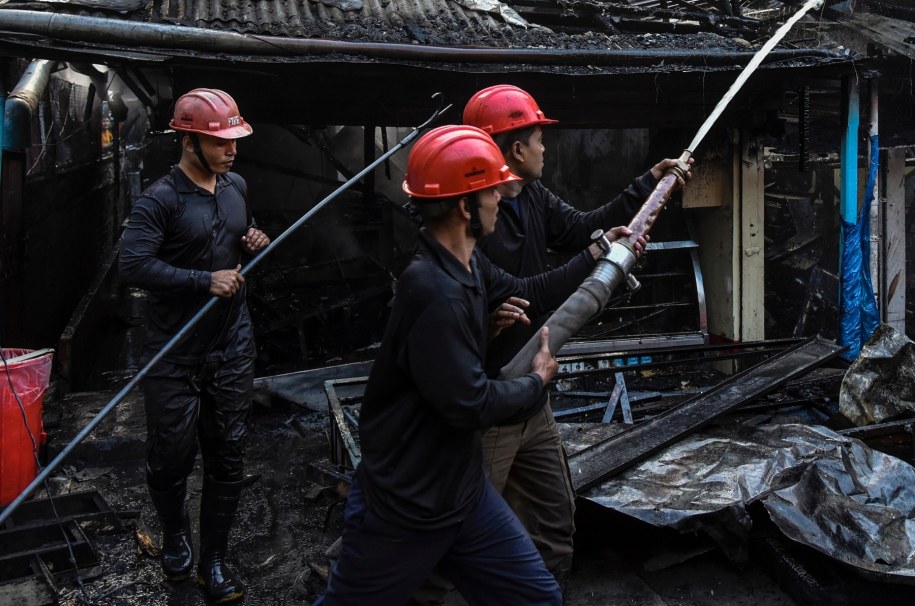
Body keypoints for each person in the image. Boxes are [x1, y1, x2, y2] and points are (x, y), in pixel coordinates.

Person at [315, 125, 608, 605]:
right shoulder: (435, 291)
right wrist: (537, 380)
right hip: (408, 503)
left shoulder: (467, 265)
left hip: (462, 492)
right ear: (463, 206)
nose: (500, 198)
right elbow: (470, 402)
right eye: (490, 190)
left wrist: (484, 329)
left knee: (536, 599)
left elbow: (526, 293)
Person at [462, 84, 692, 592]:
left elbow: (583, 227)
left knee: (554, 519)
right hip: (493, 393)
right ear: (515, 148)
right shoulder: (475, 218)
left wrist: (645, 185)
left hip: (533, 390)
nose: (546, 148)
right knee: (465, 531)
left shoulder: (533, 197)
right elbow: (529, 290)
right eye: (539, 139)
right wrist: (595, 258)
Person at [119, 88, 269, 603]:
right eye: (220, 141)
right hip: (174, 351)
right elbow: (133, 266)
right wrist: (203, 280)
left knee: (228, 454)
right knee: (171, 457)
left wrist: (254, 241)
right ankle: (176, 535)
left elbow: (237, 238)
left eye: (234, 139)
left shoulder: (236, 186)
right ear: (188, 141)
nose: (232, 149)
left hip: (231, 345)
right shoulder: (158, 200)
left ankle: (215, 560)